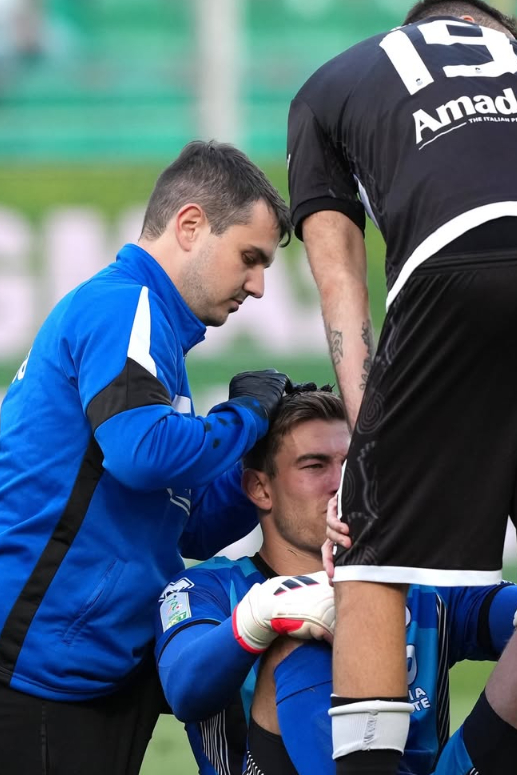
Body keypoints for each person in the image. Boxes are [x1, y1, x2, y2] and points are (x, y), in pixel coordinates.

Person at [286, 1, 517, 773]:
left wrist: (370, 449)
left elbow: (340, 278)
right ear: (495, 32)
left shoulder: (330, 83)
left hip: (462, 246)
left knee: (370, 554)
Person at [155, 387, 517, 775]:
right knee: (296, 629)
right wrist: (261, 617)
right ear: (260, 488)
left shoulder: (420, 583)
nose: (342, 484)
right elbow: (184, 688)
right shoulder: (207, 589)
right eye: (315, 466)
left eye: (351, 465)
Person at [0, 139, 293, 774]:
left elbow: (188, 524)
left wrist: (262, 469)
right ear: (190, 226)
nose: (259, 286)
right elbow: (143, 454)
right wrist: (246, 416)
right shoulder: (125, 305)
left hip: (88, 665)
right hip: (42, 668)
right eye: (250, 258)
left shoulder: (154, 334)